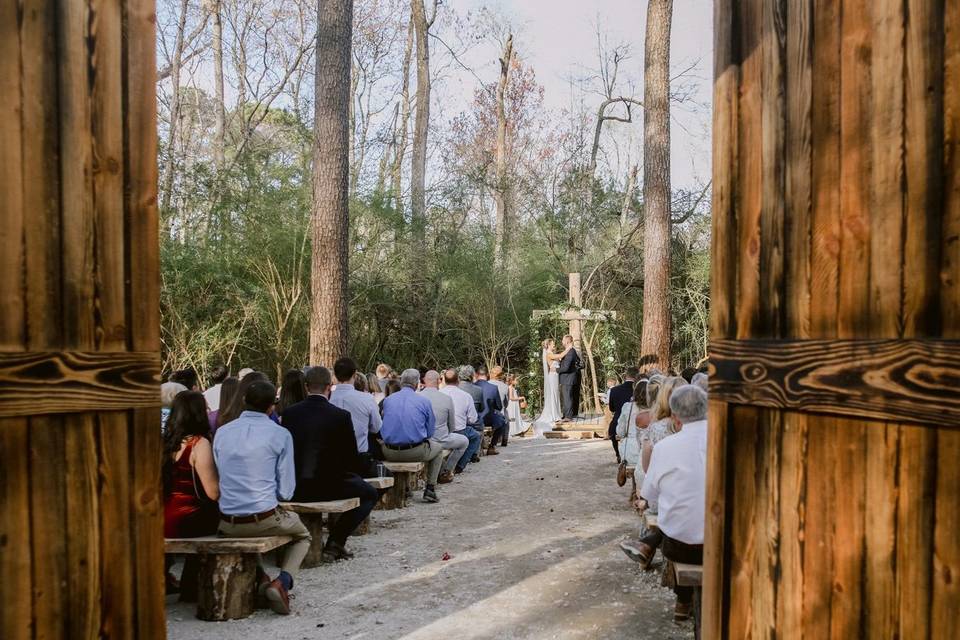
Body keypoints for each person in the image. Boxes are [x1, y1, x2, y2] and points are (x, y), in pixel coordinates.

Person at [214, 381, 310, 615]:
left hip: (228, 521)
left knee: (249, 534)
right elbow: (286, 490)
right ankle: (283, 582)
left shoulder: (222, 432)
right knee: (303, 536)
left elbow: (220, 472)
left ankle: (262, 577)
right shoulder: (279, 434)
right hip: (264, 518)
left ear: (244, 401)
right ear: (271, 407)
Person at [281, 366, 379, 562]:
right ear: (329, 387)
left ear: (307, 386)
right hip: (331, 485)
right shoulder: (340, 416)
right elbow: (351, 457)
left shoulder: (290, 414)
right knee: (370, 494)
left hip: (296, 485)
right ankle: (336, 540)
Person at [637, 385, 708, 622]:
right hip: (725, 544)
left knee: (676, 525)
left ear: (675, 418)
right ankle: (686, 602)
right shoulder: (727, 440)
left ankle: (683, 600)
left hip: (680, 545)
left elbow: (649, 494)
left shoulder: (666, 447)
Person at [163, 391, 220, 599]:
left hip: (161, 517)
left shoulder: (165, 443)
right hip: (188, 519)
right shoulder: (198, 444)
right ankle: (192, 584)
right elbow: (213, 493)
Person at [379, 369, 445, 503]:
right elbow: (430, 432)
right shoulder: (424, 402)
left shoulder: (387, 400)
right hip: (414, 451)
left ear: (401, 382)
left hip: (388, 451)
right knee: (438, 449)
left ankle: (407, 488)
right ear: (416, 384)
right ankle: (430, 488)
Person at [330, 357, 384, 478]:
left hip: (331, 461)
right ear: (354, 374)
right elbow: (376, 428)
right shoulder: (366, 399)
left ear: (335, 375)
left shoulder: (328, 399)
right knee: (386, 476)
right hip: (359, 462)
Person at [420, 370, 470, 483]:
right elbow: (452, 425)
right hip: (441, 438)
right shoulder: (446, 398)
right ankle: (447, 471)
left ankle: (443, 470)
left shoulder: (418, 396)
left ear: (424, 381)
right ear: (439, 381)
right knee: (464, 441)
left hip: (423, 440)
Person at [440, 369, 483, 474]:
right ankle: (460, 466)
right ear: (458, 380)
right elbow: (473, 419)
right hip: (459, 431)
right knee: (476, 436)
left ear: (444, 380)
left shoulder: (439, 393)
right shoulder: (466, 396)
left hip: (440, 432)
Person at [608, 366, 639, 463]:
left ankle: (618, 454)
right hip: (636, 421)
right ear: (637, 376)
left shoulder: (614, 390)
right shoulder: (639, 390)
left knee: (612, 431)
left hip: (617, 421)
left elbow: (611, 408)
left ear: (626, 376)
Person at [615, 380, 650, 466]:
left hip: (631, 452)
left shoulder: (627, 407)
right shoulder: (657, 409)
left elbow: (620, 432)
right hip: (650, 453)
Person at [475, 366, 507, 455]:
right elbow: (499, 406)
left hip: (473, 418)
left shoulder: (472, 386)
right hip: (488, 418)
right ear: (487, 375)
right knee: (502, 421)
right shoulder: (493, 388)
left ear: (476, 375)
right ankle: (492, 446)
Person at [557, 335, 582, 422]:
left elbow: (566, 367)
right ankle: (567, 415)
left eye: (563, 340)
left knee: (567, 397)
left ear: (567, 341)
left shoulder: (570, 352)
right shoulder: (570, 351)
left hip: (568, 378)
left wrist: (556, 370)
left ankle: (568, 416)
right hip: (569, 378)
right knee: (568, 397)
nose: (562, 342)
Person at [489, 366, 511, 446]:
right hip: (499, 412)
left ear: (491, 374)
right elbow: (506, 403)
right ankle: (504, 440)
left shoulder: (487, 384)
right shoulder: (505, 386)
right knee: (505, 415)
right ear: (500, 375)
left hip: (487, 412)